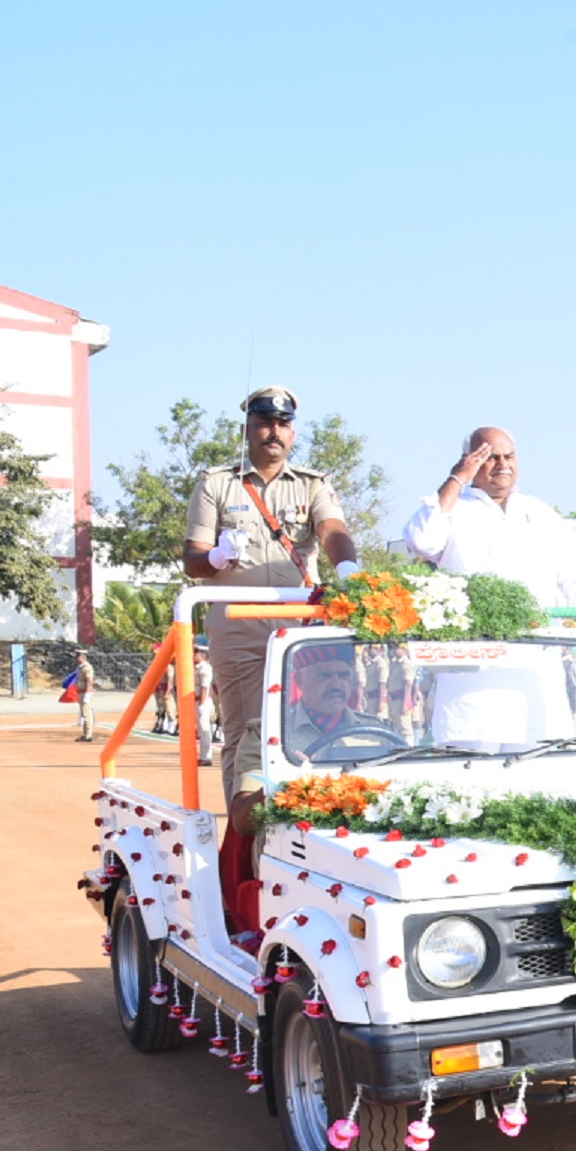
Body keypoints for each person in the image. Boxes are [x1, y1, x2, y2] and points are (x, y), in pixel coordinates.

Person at [181, 386, 361, 937]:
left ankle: (309, 842)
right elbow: (192, 560)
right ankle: (246, 859)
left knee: (314, 731)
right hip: (238, 624)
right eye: (264, 423)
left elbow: (331, 530)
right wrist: (216, 557)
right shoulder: (218, 484)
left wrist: (348, 569)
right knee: (246, 736)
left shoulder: (311, 485)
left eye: (283, 424)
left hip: (297, 624)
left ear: (292, 430)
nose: (274, 432)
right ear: (248, 428)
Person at [401, 426, 576, 622]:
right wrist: (457, 478)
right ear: (470, 460)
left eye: (509, 456)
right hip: (474, 642)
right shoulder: (454, 508)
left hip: (541, 639)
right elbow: (421, 542)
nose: (503, 465)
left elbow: (573, 568)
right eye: (492, 458)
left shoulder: (538, 510)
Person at [193, 641, 216, 766]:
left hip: (202, 701)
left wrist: (202, 704)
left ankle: (206, 757)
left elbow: (205, 687)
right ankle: (203, 755)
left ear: (200, 654)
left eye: (194, 653)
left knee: (204, 729)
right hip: (197, 700)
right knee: (201, 730)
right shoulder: (197, 668)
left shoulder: (204, 668)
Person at [73, 650, 99, 742]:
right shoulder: (80, 667)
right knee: (83, 714)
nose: (76, 658)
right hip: (81, 692)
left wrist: (87, 693)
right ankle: (85, 734)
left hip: (85, 692)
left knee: (87, 714)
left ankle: (88, 735)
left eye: (78, 656)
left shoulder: (87, 667)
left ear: (83, 657)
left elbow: (89, 679)